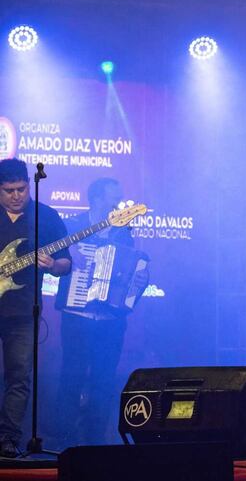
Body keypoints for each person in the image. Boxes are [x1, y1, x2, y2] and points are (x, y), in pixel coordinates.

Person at [54, 178, 148, 446]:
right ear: (95, 199)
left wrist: (139, 282)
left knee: (103, 381)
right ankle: (64, 440)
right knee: (71, 376)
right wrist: (68, 251)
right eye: (113, 199)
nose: (118, 205)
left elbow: (135, 270)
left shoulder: (124, 233)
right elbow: (55, 257)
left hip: (109, 322)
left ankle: (95, 441)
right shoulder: (71, 227)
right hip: (77, 318)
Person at [0, 158, 71, 457]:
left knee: (18, 377)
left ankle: (7, 439)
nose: (16, 195)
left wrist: (54, 264)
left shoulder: (45, 216)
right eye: (8, 190)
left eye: (22, 188)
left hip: (23, 312)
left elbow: (67, 263)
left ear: (30, 185)